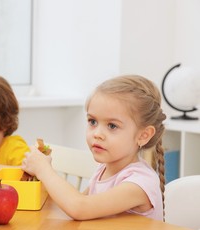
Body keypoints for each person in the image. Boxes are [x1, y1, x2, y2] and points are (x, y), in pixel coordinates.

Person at [22, 75, 167, 221]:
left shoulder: (140, 182)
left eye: (112, 126)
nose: (97, 134)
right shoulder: (103, 169)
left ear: (143, 135)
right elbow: (74, 202)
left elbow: (80, 208)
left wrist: (43, 169)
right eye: (92, 121)